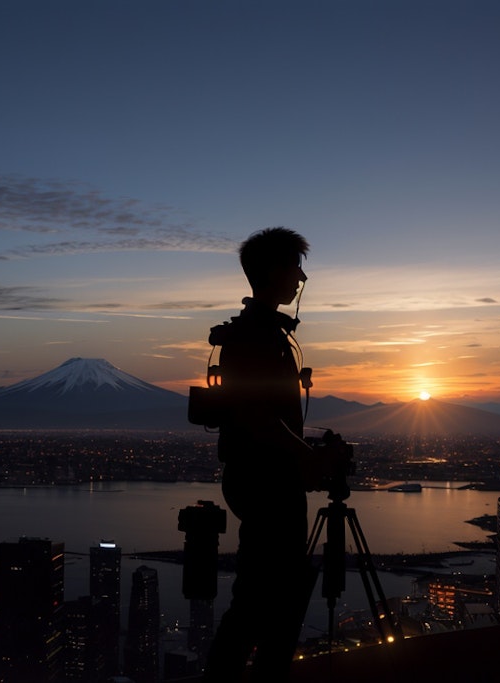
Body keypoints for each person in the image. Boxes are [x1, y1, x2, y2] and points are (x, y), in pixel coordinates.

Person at [202, 227, 322, 682]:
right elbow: (255, 414)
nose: (301, 278)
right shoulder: (255, 335)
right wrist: (304, 454)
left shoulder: (263, 331)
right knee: (259, 602)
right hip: (266, 482)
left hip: (266, 478)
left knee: (268, 598)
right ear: (274, 271)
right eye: (295, 268)